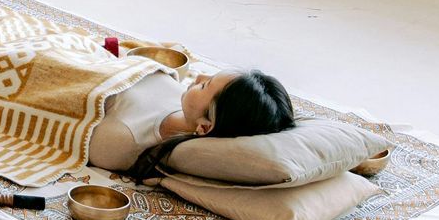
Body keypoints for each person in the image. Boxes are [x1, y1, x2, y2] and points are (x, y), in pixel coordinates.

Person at [88, 67, 295, 175]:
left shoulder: (124, 140)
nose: (199, 76)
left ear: (204, 126)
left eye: (205, 86)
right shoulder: (186, 102)